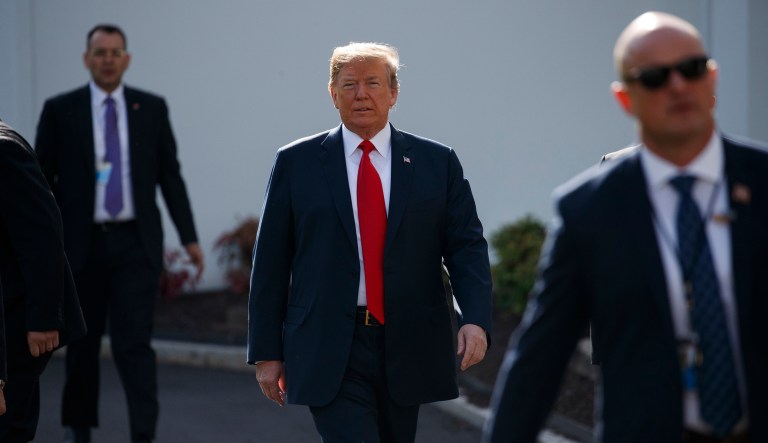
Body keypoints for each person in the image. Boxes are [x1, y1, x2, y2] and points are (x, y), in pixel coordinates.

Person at [484, 11, 767, 443]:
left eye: (691, 69)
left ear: (711, 78)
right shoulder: (589, 210)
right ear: (625, 99)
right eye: (654, 77)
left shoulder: (762, 183)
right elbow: (540, 358)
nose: (677, 86)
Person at [247, 42, 493, 442]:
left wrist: (476, 318)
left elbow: (466, 246)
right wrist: (266, 351)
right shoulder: (297, 162)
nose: (361, 94)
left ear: (393, 93)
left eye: (373, 83)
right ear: (333, 94)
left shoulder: (436, 162)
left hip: (408, 341)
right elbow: (271, 262)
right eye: (350, 84)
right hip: (328, 344)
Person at [34, 24, 204, 443]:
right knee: (82, 345)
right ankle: (78, 430)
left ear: (126, 59)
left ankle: (143, 434)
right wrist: (40, 245)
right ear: (86, 59)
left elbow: (170, 176)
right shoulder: (61, 109)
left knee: (134, 345)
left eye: (115, 52)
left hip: (134, 245)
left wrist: (189, 238)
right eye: (100, 52)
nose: (108, 59)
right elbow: (41, 183)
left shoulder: (151, 108)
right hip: (81, 246)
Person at [0, 120, 87, 442]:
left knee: (9, 425)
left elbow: (42, 237)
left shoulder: (4, 150)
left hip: (15, 323)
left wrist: (44, 319)